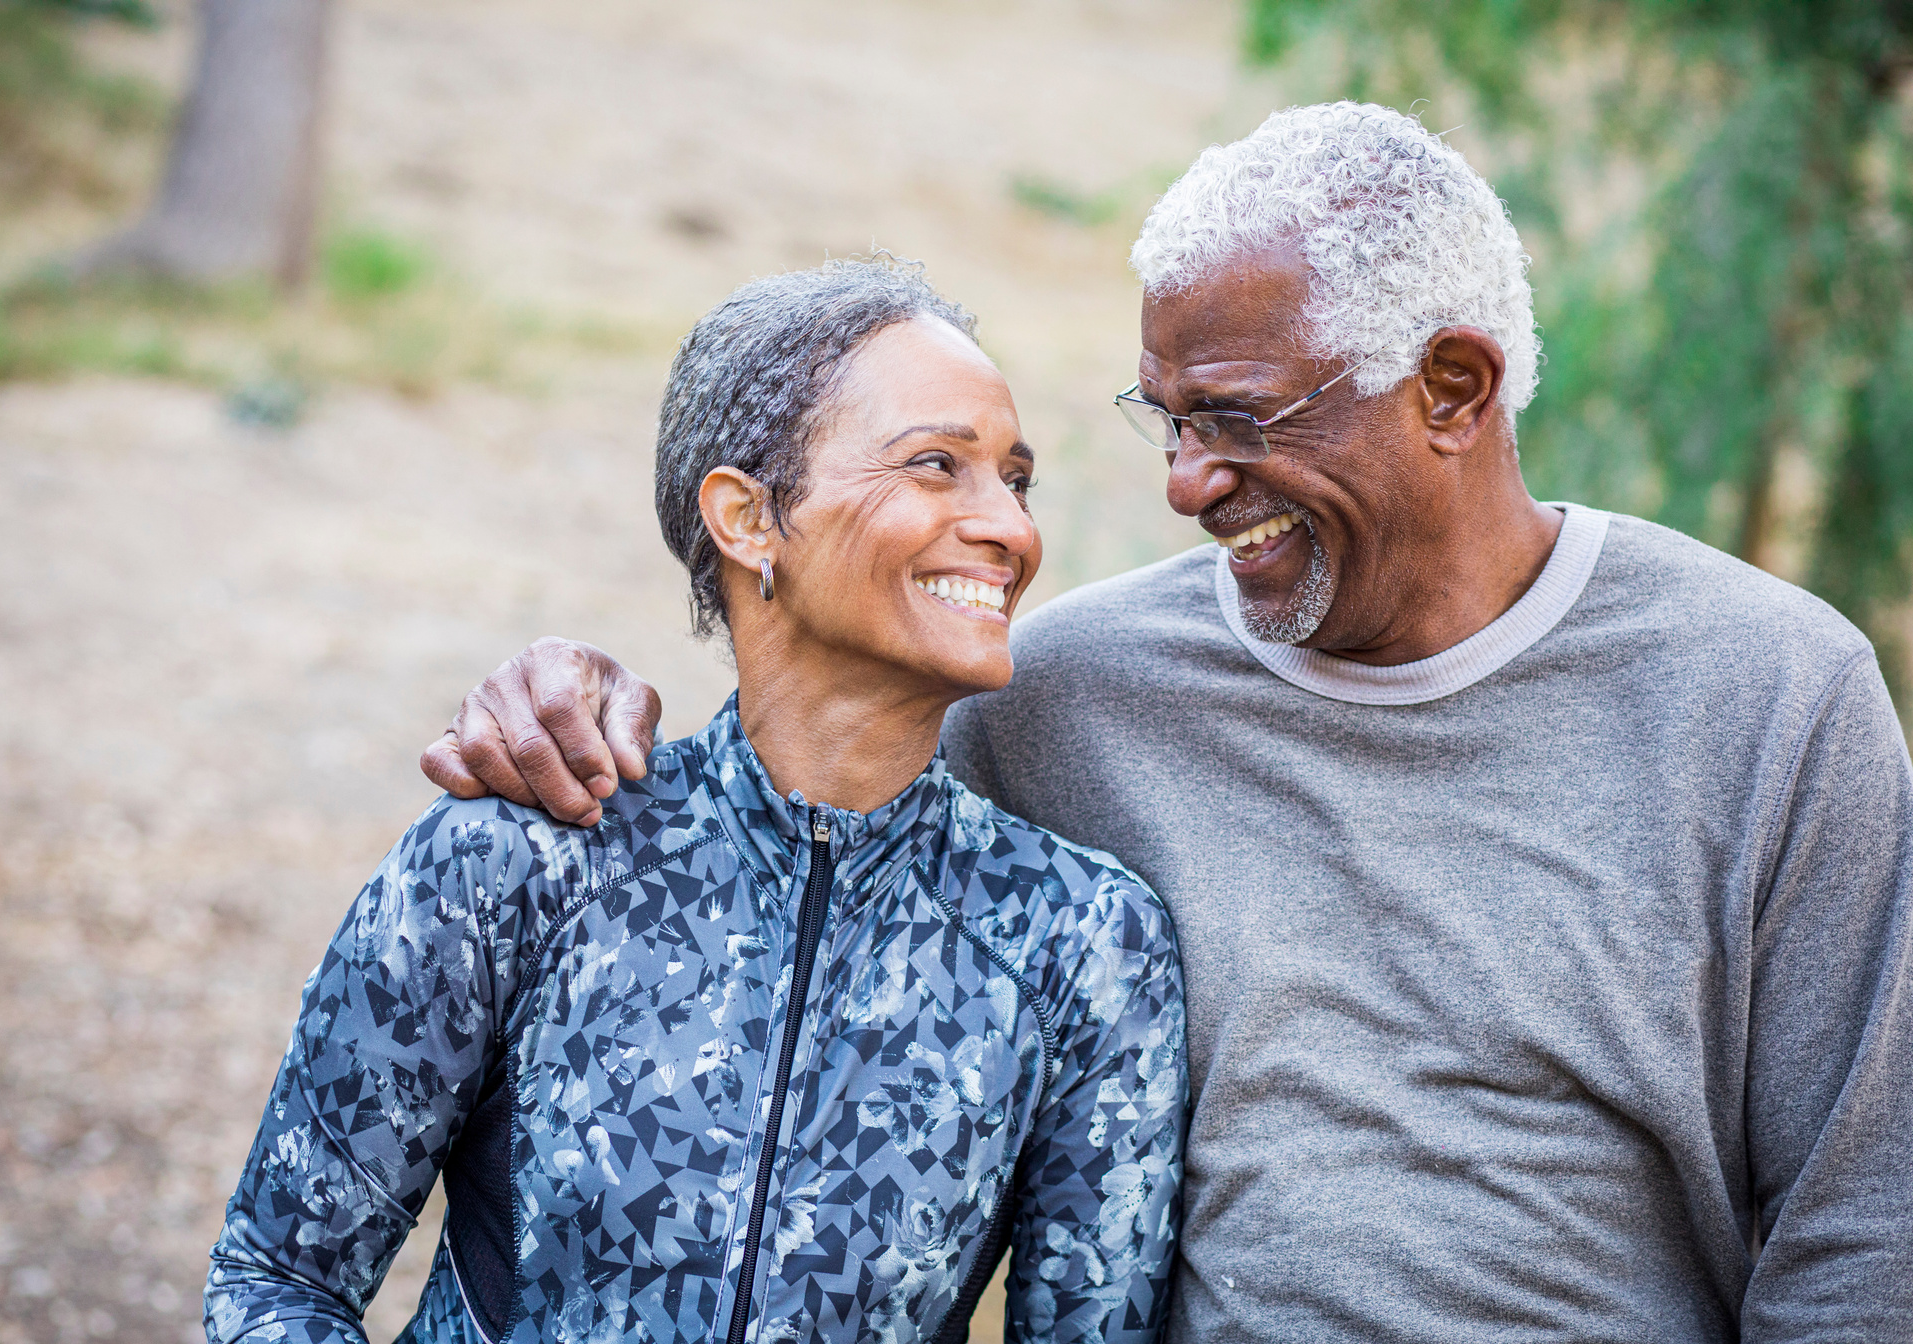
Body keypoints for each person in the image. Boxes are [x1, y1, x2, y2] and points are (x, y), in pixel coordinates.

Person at [422, 103, 1913, 1341]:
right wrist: (573, 697)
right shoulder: (1073, 694)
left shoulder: (1768, 694)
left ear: (1453, 387)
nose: (1187, 483)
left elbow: (1866, 1241)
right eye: (1168, 421)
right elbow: (793, 810)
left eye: (1239, 419)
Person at [206, 258, 1186, 1344]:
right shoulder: (524, 860)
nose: (1009, 526)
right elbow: (273, 1278)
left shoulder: (1085, 943)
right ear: (749, 518)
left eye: (1016, 477)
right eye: (937, 466)